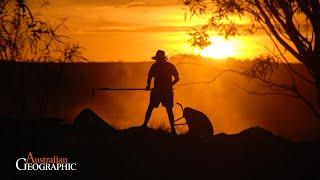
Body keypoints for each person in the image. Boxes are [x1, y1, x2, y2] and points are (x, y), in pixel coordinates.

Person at [143, 50, 180, 135]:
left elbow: (177, 78)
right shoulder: (157, 66)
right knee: (151, 108)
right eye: (157, 59)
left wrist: (170, 85)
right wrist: (148, 85)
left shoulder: (160, 66)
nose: (157, 60)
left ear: (162, 58)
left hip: (164, 91)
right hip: (160, 91)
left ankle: (173, 129)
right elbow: (150, 77)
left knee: (168, 110)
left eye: (159, 58)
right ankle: (144, 124)